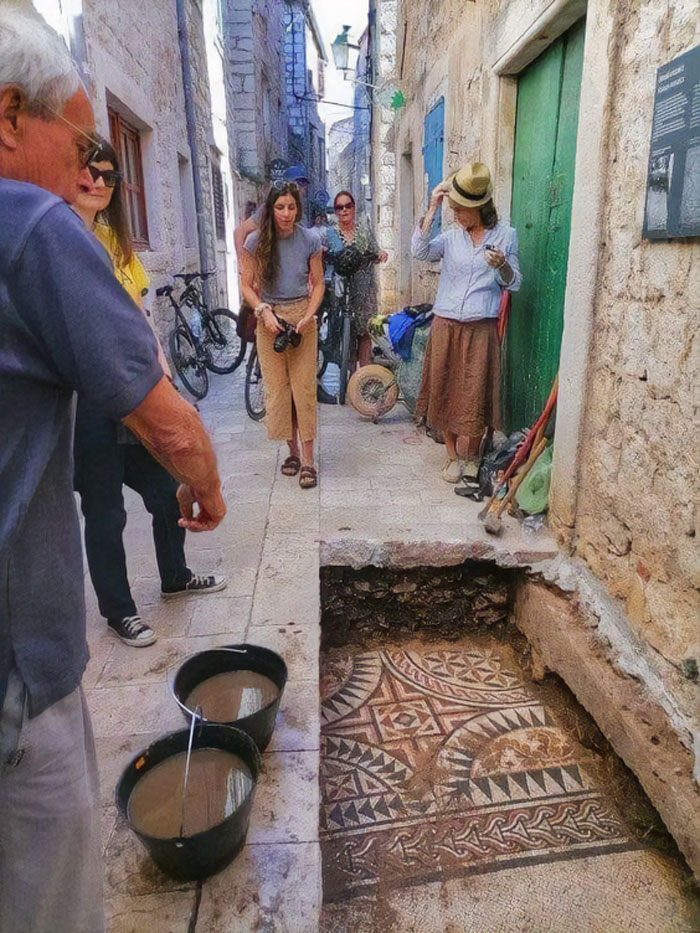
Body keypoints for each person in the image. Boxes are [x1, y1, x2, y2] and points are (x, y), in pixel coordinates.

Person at [0, 8, 225, 932]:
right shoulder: (32, 226)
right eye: (82, 142)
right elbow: (168, 420)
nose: (89, 168)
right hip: (16, 670)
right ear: (10, 116)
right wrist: (208, 482)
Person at [71, 138, 226, 648]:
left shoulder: (117, 244)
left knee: (166, 491)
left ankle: (175, 577)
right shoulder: (60, 238)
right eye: (90, 171)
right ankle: (119, 611)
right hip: (89, 399)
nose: (98, 182)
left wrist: (164, 377)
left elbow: (140, 320)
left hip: (135, 393)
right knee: (105, 511)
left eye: (109, 175)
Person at [412, 162, 522, 483]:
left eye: (461, 209)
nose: (456, 213)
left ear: (479, 208)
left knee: (475, 392)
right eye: (454, 207)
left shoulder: (506, 236)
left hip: (481, 328)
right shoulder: (450, 237)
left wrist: (502, 266)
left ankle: (472, 455)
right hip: (446, 324)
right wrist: (432, 208)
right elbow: (420, 251)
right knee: (445, 387)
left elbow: (515, 283)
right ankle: (452, 455)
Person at [240, 182, 325, 488]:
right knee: (279, 390)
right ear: (270, 209)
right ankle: (292, 452)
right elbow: (246, 285)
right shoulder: (255, 242)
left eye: (291, 207)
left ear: (297, 209)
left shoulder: (310, 239)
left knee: (304, 390)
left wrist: (309, 314)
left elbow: (319, 283)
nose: (286, 213)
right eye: (280, 207)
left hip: (301, 316)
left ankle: (308, 460)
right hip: (269, 317)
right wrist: (262, 310)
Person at [325, 190, 388, 367]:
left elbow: (376, 251)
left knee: (365, 333)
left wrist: (381, 254)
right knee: (348, 335)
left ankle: (364, 374)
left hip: (364, 290)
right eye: (340, 207)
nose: (344, 210)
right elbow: (320, 255)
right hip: (342, 291)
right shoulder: (330, 234)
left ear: (353, 208)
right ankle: (351, 375)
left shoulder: (363, 232)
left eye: (348, 206)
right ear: (336, 211)